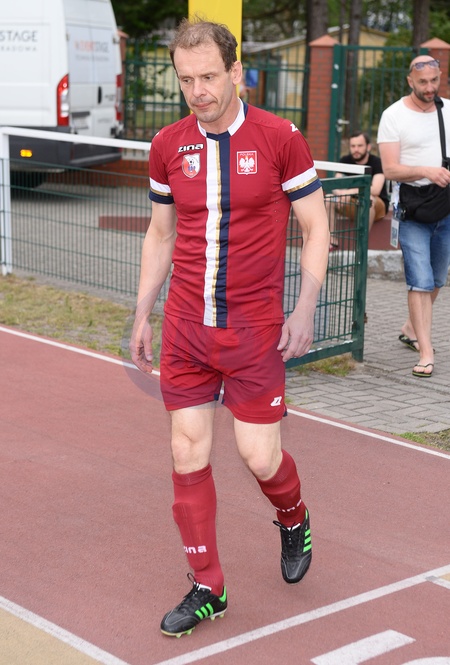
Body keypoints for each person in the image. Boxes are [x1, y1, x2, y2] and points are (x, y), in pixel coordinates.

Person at [129, 18, 330, 638]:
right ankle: (208, 586)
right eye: (186, 79)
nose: (198, 91)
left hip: (254, 331)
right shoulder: (168, 145)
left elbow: (316, 227)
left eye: (210, 77)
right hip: (186, 329)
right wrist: (142, 311)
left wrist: (305, 307)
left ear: (236, 72)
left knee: (258, 456)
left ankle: (293, 516)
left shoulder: (279, 138)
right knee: (186, 450)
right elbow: (160, 233)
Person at [377, 55, 450, 379]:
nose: (430, 87)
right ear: (410, 81)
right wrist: (426, 171)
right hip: (412, 209)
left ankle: (410, 327)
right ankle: (426, 351)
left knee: (436, 280)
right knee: (420, 281)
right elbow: (390, 169)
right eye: (423, 82)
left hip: (445, 206)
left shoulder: (447, 111)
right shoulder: (393, 115)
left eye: (434, 80)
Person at [327, 131, 389, 250]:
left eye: (360, 146)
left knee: (368, 200)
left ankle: (361, 245)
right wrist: (341, 194)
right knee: (328, 200)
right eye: (353, 146)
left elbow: (375, 189)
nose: (356, 149)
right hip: (351, 203)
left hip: (376, 206)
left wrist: (348, 193)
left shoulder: (376, 162)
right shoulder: (345, 160)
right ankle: (332, 240)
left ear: (368, 147)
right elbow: (335, 185)